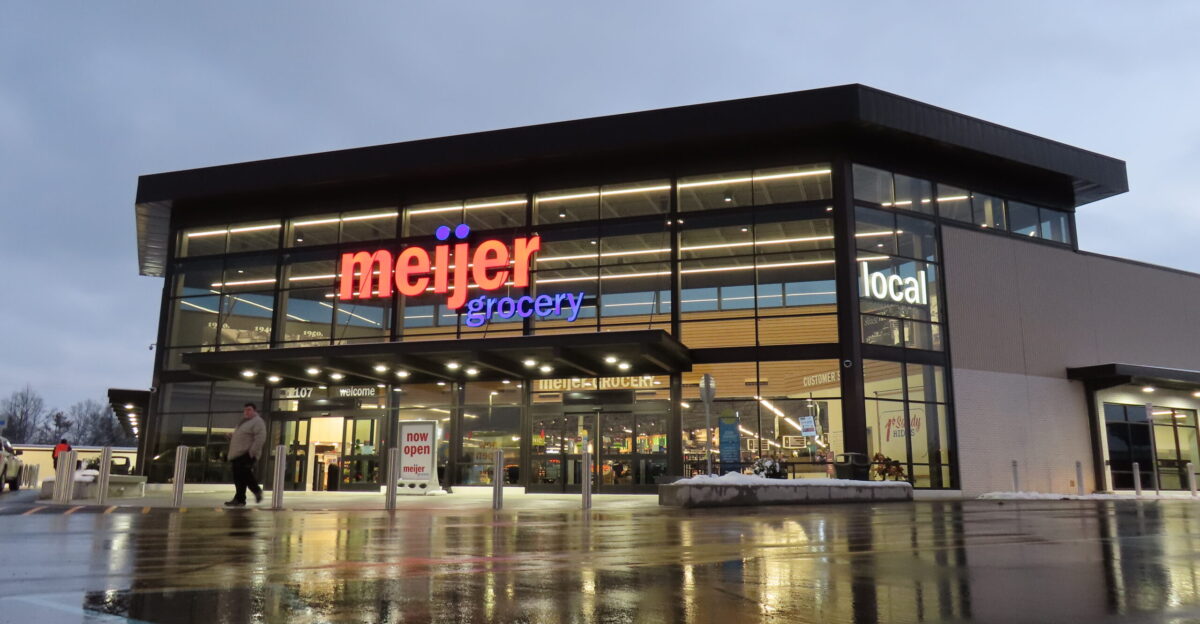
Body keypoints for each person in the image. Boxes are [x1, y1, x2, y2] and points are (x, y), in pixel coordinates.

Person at [225, 403, 266, 507]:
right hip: (237, 454)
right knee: (239, 478)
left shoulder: (257, 422)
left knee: (245, 474)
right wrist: (232, 436)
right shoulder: (244, 422)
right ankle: (240, 499)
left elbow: (260, 438)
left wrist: (252, 453)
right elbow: (244, 436)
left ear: (254, 411)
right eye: (245, 410)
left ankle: (256, 491)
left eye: (249, 410)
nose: (246, 412)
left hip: (246, 454)